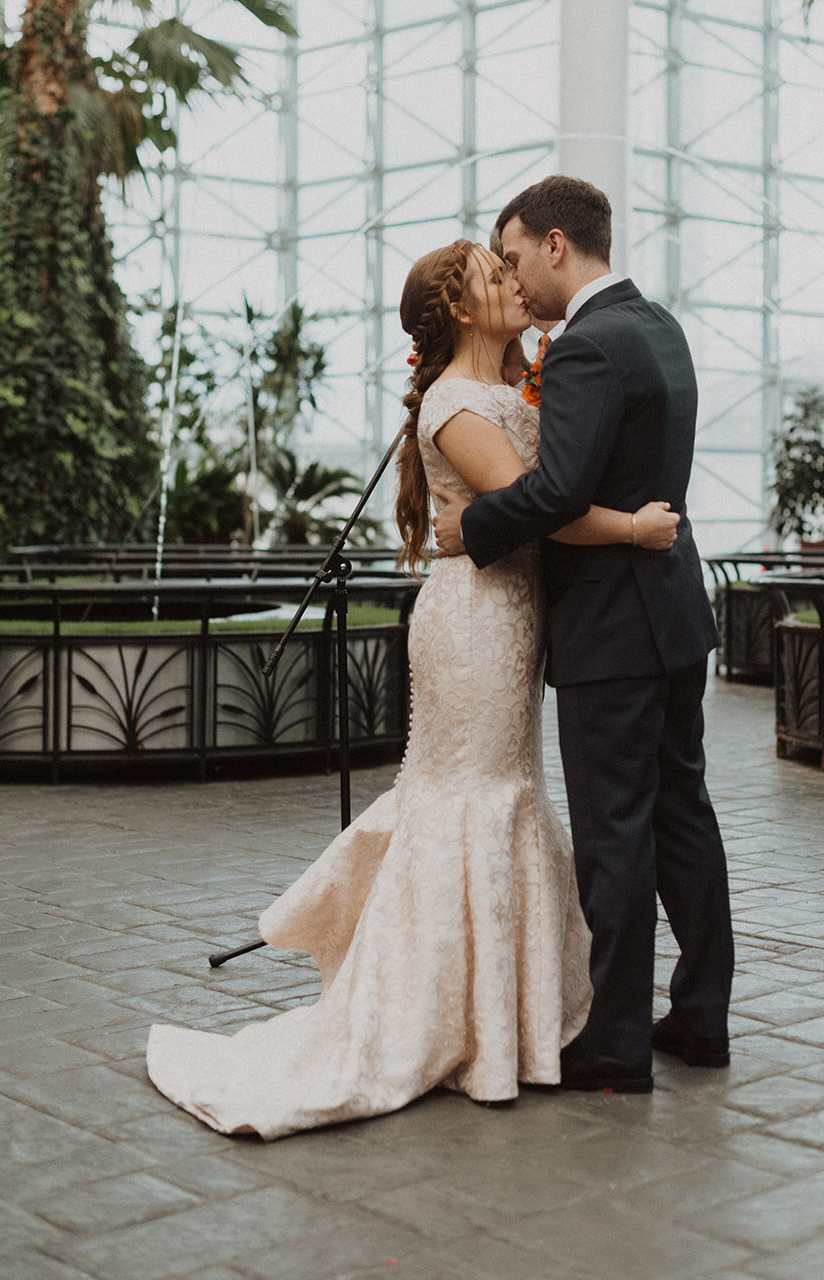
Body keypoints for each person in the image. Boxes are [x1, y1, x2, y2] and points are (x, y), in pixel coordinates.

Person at [145, 236, 678, 1137]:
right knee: (465, 798)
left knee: (503, 794)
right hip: (472, 621)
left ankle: (498, 1016)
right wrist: (631, 528)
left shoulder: (513, 388)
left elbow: (534, 489)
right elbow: (536, 502)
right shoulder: (454, 401)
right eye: (492, 275)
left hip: (513, 620)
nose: (513, 281)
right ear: (462, 309)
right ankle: (435, 1019)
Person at [433, 175, 734, 1093]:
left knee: (614, 834)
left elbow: (559, 491)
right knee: (683, 813)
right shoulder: (659, 326)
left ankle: (614, 1042)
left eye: (517, 257)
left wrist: (468, 531)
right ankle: (701, 1015)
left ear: (557, 244)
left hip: (613, 628)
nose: (515, 282)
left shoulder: (584, 350)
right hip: (674, 616)